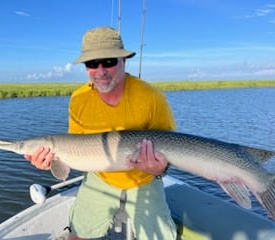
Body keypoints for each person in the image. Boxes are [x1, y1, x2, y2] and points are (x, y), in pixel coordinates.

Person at [25, 26, 177, 240]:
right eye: (92, 63)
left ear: (124, 61)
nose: (100, 70)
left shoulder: (152, 97)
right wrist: (51, 161)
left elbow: (173, 148)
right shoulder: (78, 99)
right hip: (100, 178)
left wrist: (159, 169)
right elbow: (73, 148)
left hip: (145, 180)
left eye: (108, 61)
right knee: (76, 236)